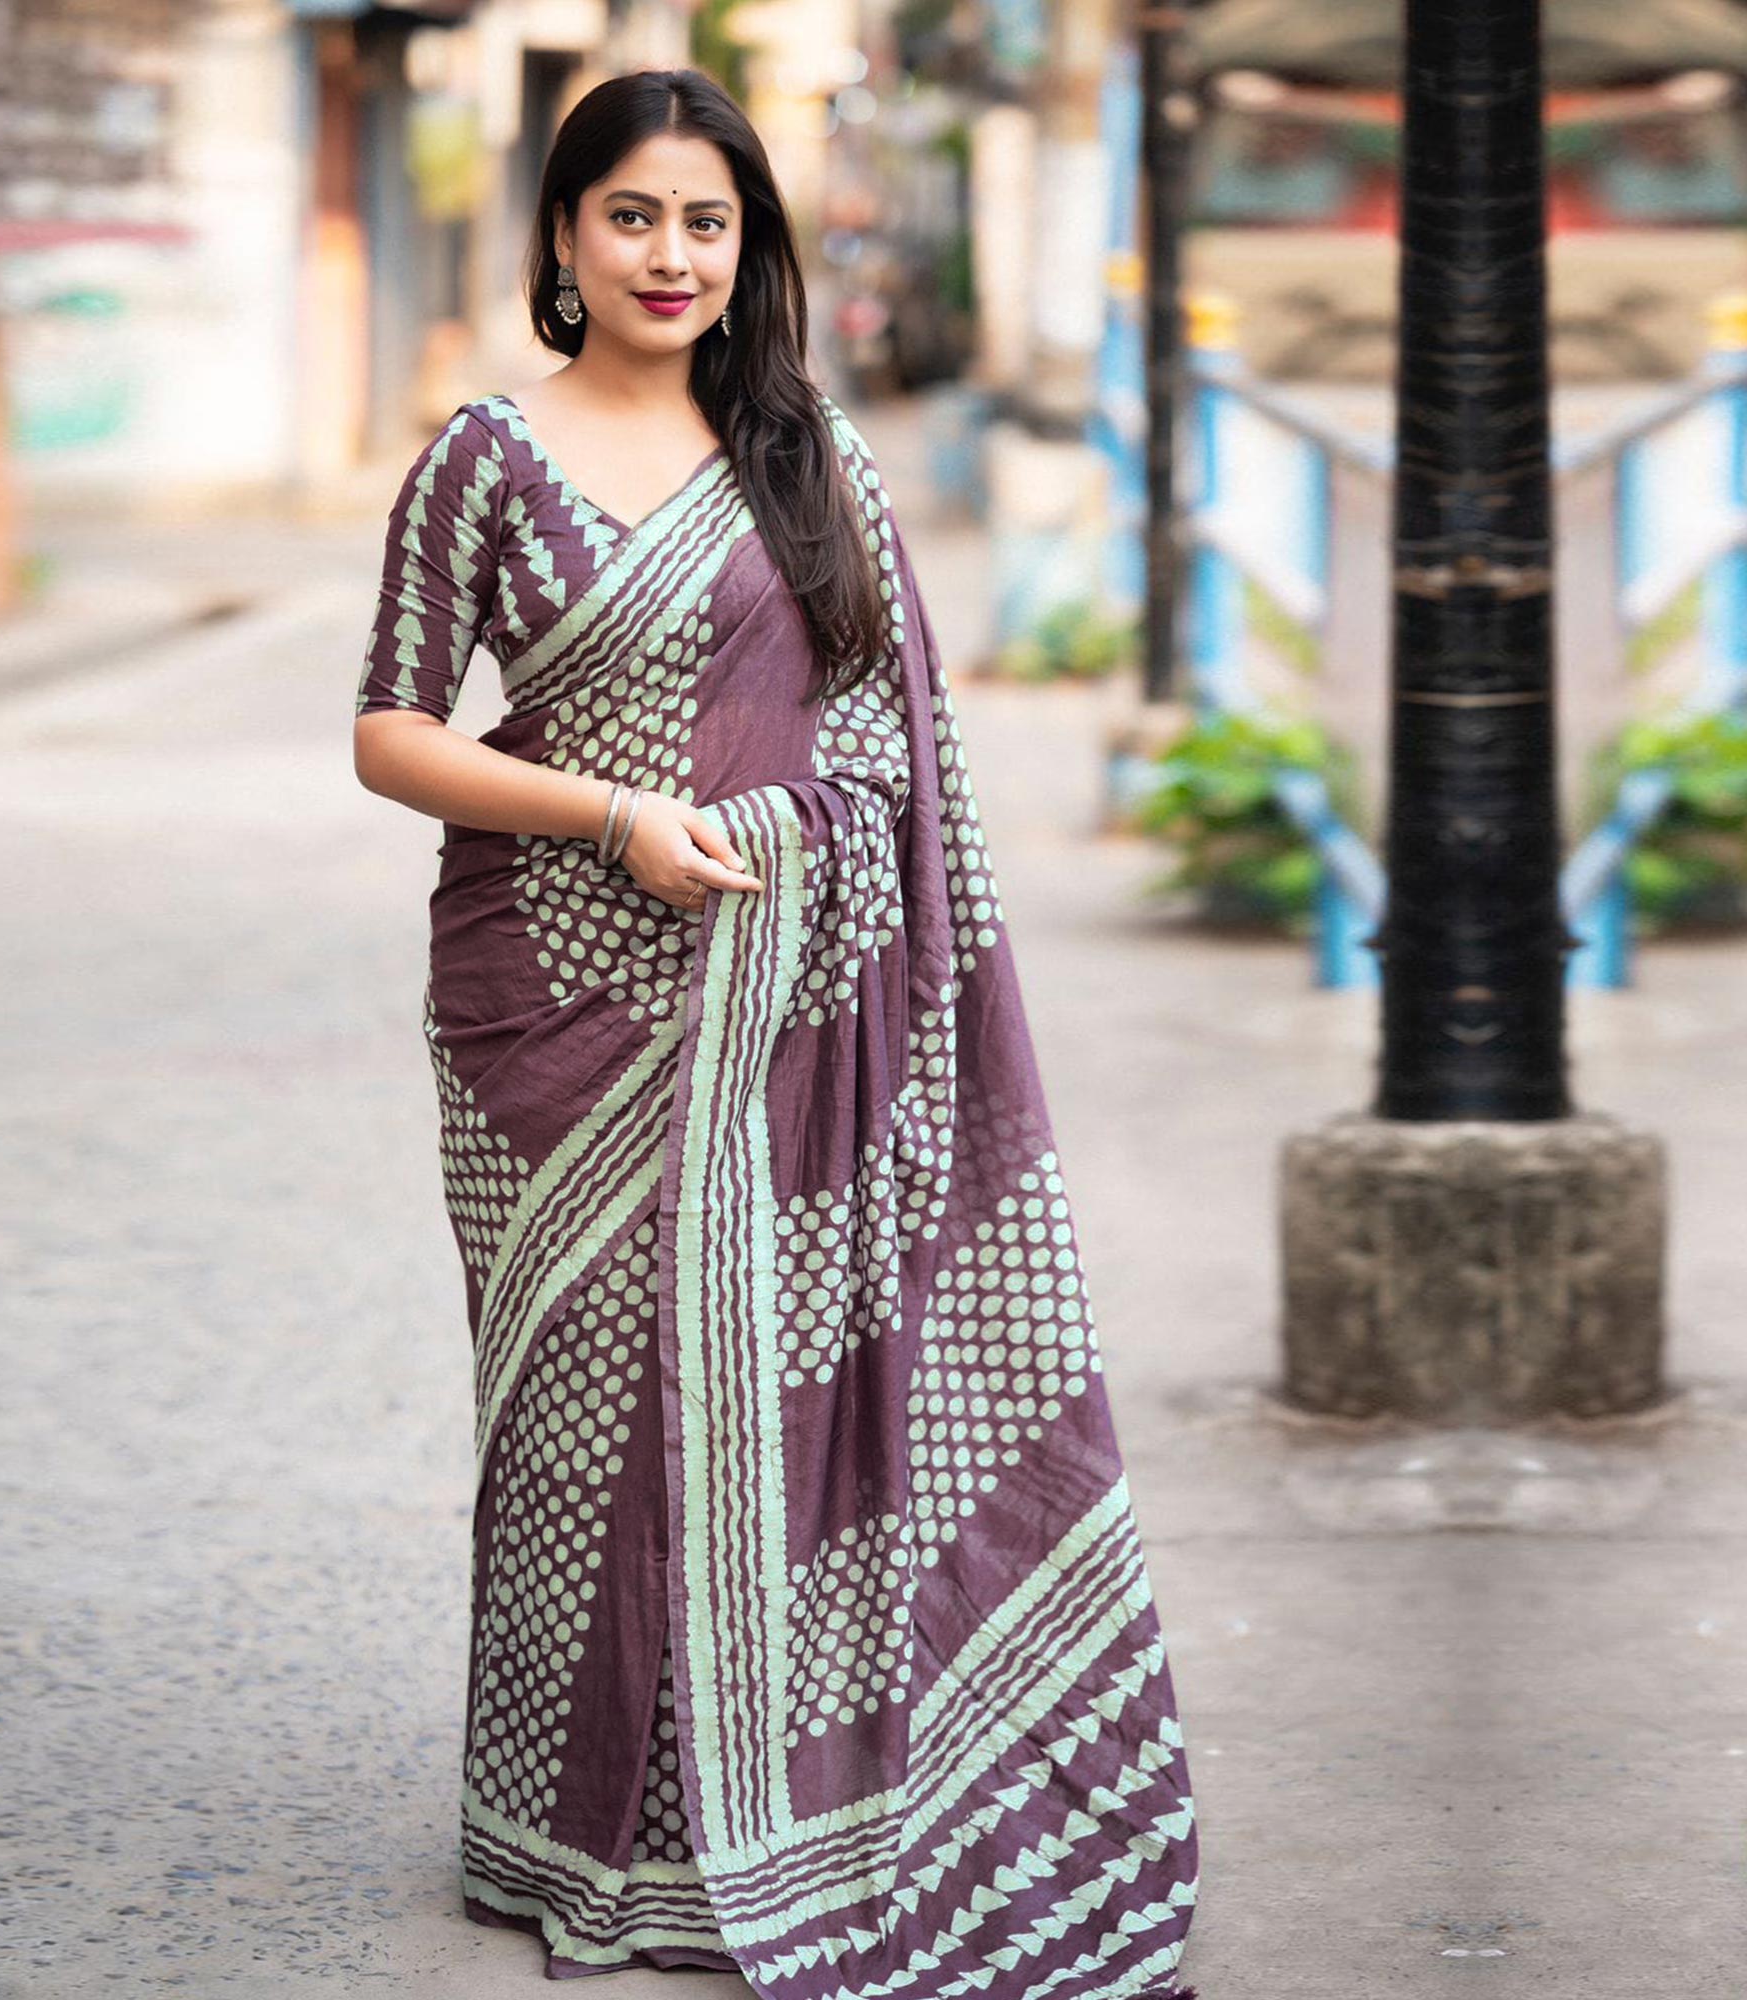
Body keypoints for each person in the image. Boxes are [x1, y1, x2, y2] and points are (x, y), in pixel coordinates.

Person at [352, 65, 1200, 2000]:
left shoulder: (813, 455)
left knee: (754, 1393)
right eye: (631, 216)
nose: (669, 255)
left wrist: (766, 853)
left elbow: (889, 757)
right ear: (563, 240)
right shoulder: (482, 459)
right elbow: (392, 729)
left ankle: (761, 1798)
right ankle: (568, 1826)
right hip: (544, 1010)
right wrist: (613, 818)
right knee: (580, 1410)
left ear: (750, 248)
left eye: (706, 221)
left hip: (788, 995)